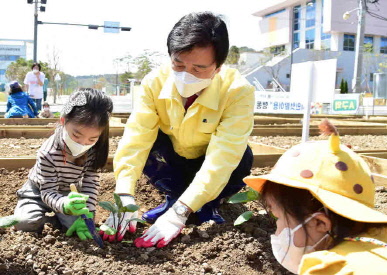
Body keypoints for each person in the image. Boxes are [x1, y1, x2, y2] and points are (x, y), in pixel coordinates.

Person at [102, 11, 255, 248]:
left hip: (209, 161)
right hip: (174, 159)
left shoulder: (238, 92)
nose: (186, 75)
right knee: (150, 145)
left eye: (198, 68)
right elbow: (136, 139)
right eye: (179, 64)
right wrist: (124, 195)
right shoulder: (154, 83)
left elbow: (222, 159)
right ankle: (174, 197)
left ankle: (205, 204)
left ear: (218, 67)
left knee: (241, 157)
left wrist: (180, 213)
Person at [243, 120, 387, 274]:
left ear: (320, 223)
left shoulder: (332, 268)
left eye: (277, 217)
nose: (276, 232)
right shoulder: (379, 244)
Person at [13, 88, 113, 241]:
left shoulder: (93, 150)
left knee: (82, 225)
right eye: (76, 135)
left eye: (92, 139)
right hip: (38, 191)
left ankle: (62, 219)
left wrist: (88, 212)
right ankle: (51, 221)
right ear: (63, 120)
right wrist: (64, 206)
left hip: (69, 191)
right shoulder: (48, 153)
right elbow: (47, 191)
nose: (83, 144)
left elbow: (90, 182)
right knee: (25, 223)